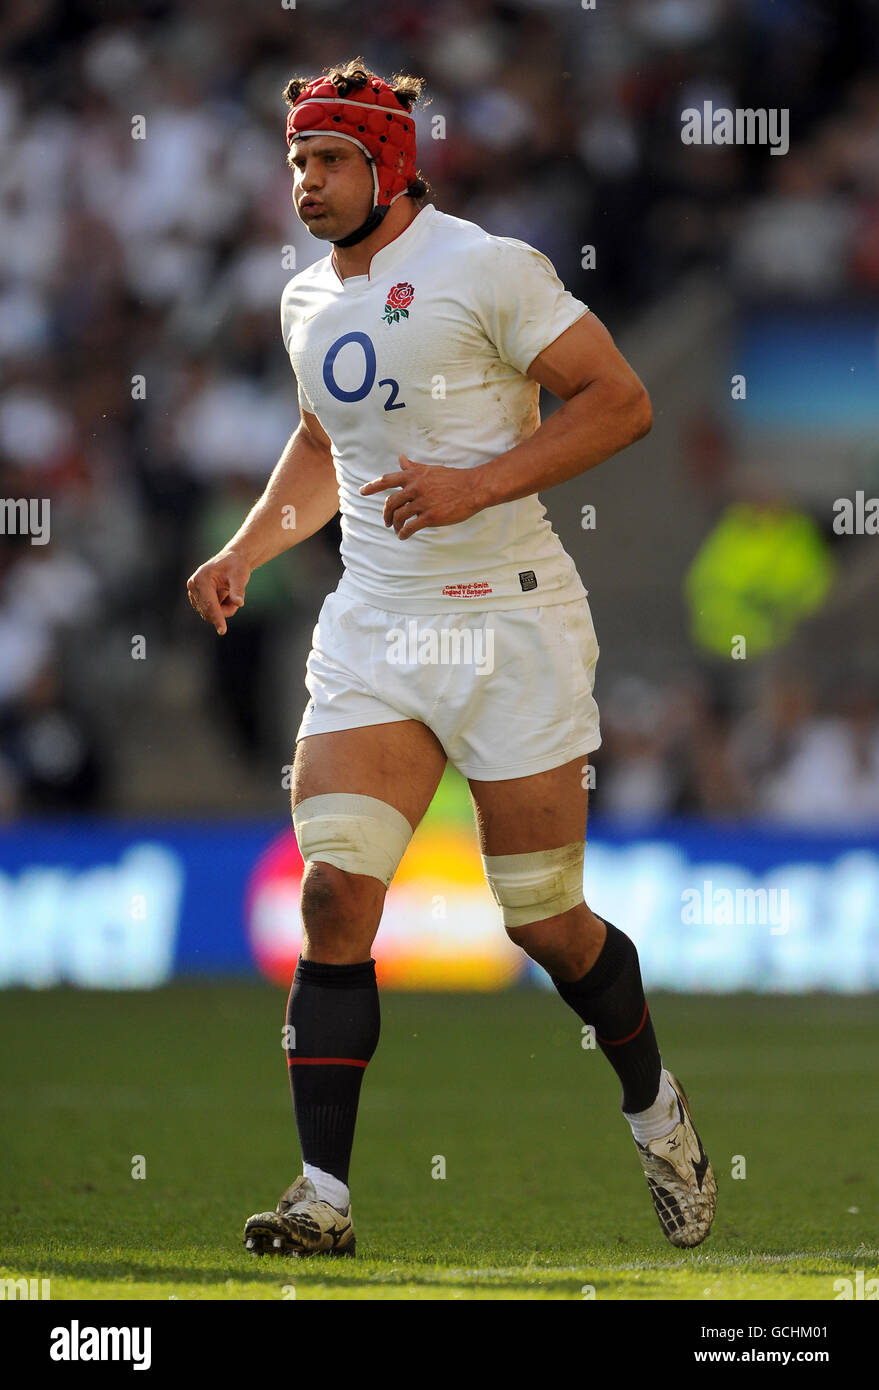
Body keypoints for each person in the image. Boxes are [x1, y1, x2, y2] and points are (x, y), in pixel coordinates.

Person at [186, 59, 716, 1257]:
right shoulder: (305, 300)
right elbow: (326, 443)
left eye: (329, 162)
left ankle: (657, 1111)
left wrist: (475, 483)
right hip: (375, 620)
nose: (306, 185)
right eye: (296, 164)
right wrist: (247, 549)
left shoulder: (489, 267)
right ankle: (323, 1196)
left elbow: (620, 400)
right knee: (331, 895)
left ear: (389, 162)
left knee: (544, 921)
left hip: (508, 618)